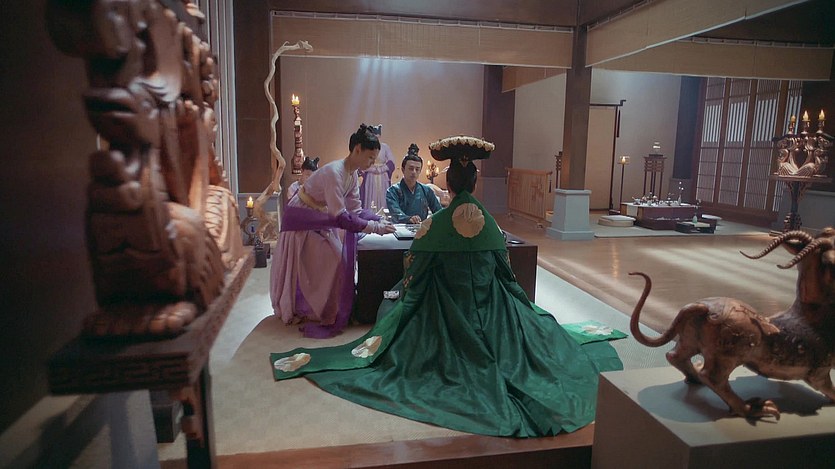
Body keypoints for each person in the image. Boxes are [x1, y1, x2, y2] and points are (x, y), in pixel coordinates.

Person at [270, 136, 623, 437]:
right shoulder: (491, 225)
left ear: (448, 185)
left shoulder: (434, 225)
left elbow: (413, 275)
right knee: (529, 325)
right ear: (474, 183)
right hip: (492, 311)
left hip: (444, 312)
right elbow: (506, 275)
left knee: (392, 307)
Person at [270, 124, 396, 338]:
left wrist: (378, 219)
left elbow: (356, 210)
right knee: (333, 259)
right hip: (303, 219)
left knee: (337, 259)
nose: (372, 163)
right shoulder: (334, 172)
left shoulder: (352, 175)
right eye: (370, 158)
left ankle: (325, 307)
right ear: (357, 150)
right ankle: (307, 307)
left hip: (320, 218)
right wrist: (376, 228)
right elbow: (341, 217)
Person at [385, 144, 442, 223]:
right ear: (403, 169)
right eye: (411, 168)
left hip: (422, 228)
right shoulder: (393, 191)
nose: (414, 172)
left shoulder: (426, 190)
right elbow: (395, 213)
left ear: (420, 171)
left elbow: (438, 212)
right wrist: (409, 219)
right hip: (400, 228)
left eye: (417, 169)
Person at [358, 124, 395, 212]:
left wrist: (381, 169)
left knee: (383, 194)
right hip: (370, 176)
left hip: (382, 176)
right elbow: (362, 162)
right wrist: (372, 169)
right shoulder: (366, 148)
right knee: (370, 194)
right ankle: (369, 213)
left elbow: (391, 162)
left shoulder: (385, 147)